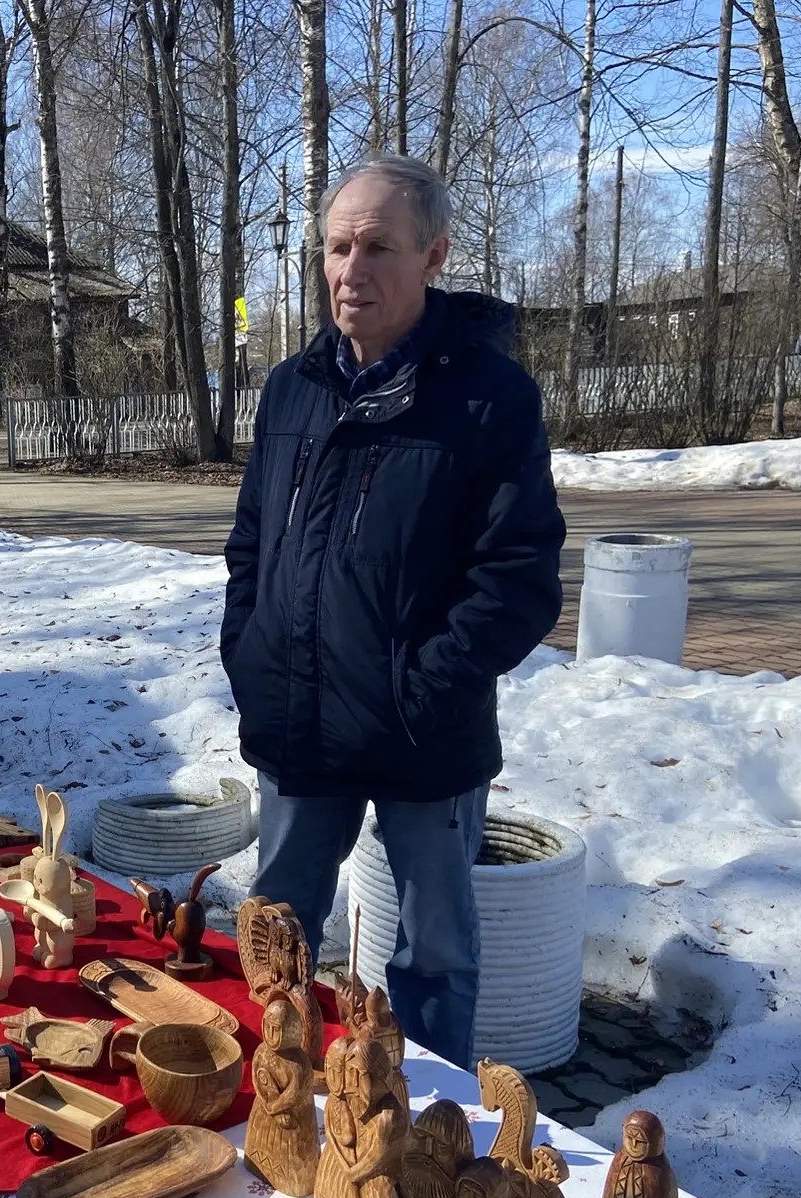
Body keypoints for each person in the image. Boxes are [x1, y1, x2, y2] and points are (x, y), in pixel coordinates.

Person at [221, 154, 564, 1069]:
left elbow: (520, 577)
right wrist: (249, 651)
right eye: (337, 247)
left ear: (434, 254)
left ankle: (418, 1124)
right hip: (298, 713)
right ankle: (282, 1089)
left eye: (377, 246)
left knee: (436, 952)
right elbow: (252, 543)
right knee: (276, 927)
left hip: (425, 733)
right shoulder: (293, 388)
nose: (350, 270)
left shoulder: (491, 399)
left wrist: (428, 685)